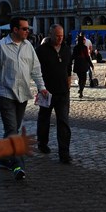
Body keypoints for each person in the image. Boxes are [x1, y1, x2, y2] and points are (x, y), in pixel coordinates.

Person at [0, 16, 48, 180]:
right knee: (12, 130)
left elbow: (36, 69)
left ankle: (3, 159)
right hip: (6, 93)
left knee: (13, 129)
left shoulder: (28, 46)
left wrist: (42, 87)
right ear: (15, 29)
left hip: (22, 93)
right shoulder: (0, 47)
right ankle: (17, 165)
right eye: (24, 28)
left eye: (28, 28)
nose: (27, 31)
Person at [35, 24, 73, 164]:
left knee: (63, 122)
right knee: (44, 119)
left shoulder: (66, 49)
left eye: (62, 36)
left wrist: (69, 79)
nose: (60, 38)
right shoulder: (41, 50)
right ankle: (42, 143)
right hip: (46, 91)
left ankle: (64, 153)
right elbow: (35, 70)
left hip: (63, 92)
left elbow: (69, 67)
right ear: (50, 34)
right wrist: (40, 88)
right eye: (57, 36)